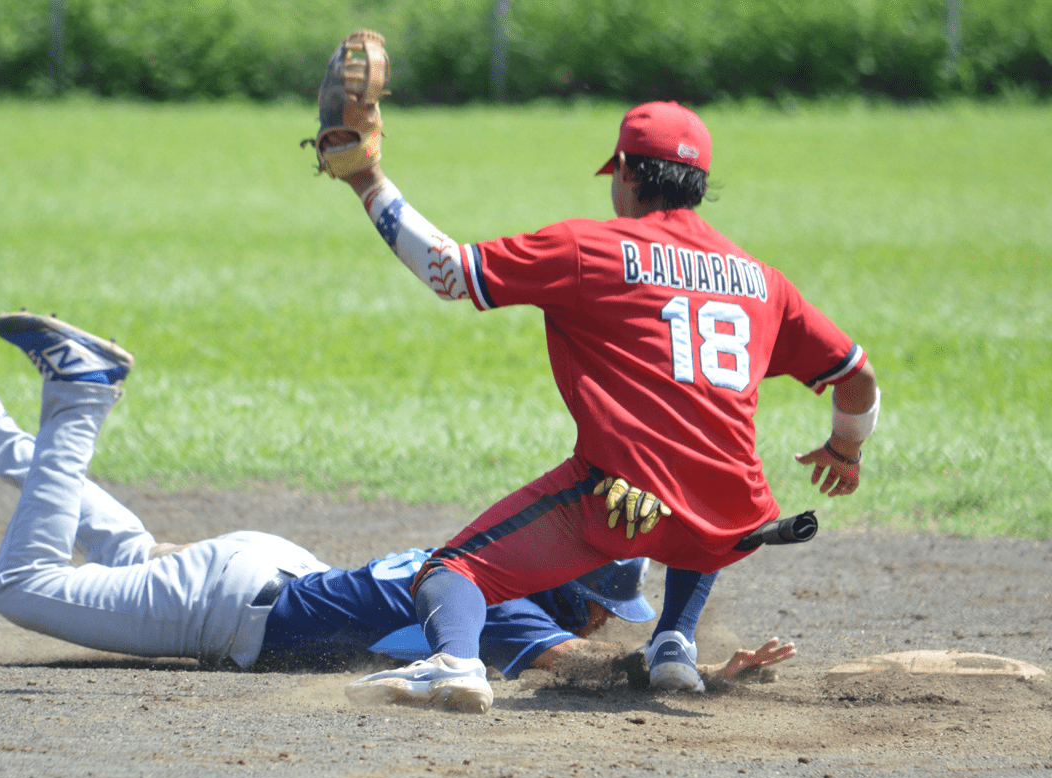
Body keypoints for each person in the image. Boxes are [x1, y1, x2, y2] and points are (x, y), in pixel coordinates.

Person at [0, 311, 794, 695]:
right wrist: (697, 677)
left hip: (264, 572)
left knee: (130, 559)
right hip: (228, 607)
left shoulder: (483, 580)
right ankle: (78, 395)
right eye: (605, 605)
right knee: (23, 586)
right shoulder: (510, 615)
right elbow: (583, 672)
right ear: (570, 590)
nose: (605, 624)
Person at [329, 100, 879, 712]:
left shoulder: (590, 248)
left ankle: (455, 662)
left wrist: (367, 179)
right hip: (736, 522)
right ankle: (674, 645)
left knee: (451, 571)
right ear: (699, 186)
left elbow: (449, 271)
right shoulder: (763, 281)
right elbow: (857, 375)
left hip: (621, 502)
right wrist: (845, 451)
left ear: (626, 172)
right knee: (705, 482)